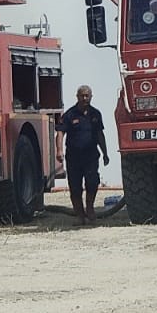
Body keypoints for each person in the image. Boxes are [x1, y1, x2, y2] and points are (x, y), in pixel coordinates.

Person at [56, 85, 109, 225]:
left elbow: (100, 134)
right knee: (75, 187)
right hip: (74, 157)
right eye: (82, 96)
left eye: (87, 95)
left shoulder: (96, 114)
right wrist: (59, 150)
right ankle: (80, 216)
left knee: (92, 182)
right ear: (77, 97)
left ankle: (90, 208)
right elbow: (60, 132)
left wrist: (105, 153)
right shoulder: (69, 114)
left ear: (91, 97)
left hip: (91, 156)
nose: (85, 98)